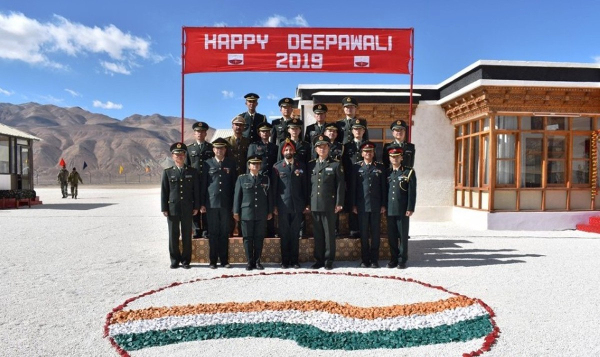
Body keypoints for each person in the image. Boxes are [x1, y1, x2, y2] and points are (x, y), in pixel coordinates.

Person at [307, 135, 345, 270]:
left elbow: (341, 185)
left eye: (324, 146)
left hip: (329, 204)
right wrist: (308, 203)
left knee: (329, 234)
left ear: (329, 147)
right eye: (319, 146)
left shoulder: (335, 164)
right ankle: (319, 260)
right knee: (317, 234)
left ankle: (329, 260)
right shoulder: (311, 164)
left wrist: (339, 202)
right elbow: (308, 186)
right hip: (315, 204)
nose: (322, 149)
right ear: (316, 149)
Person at [161, 143, 200, 269]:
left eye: (182, 154)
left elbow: (195, 191)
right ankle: (174, 259)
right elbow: (164, 191)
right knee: (173, 234)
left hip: (188, 207)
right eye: (177, 154)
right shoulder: (167, 173)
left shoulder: (192, 172)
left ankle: (185, 260)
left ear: (185, 155)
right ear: (172, 156)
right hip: (173, 208)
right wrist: (164, 208)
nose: (180, 156)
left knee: (186, 234)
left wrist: (196, 206)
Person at [272, 139, 309, 269]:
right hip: (283, 206)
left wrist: (306, 204)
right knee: (284, 233)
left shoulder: (301, 166)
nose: (288, 152)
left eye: (290, 150)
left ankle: (294, 260)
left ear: (294, 151)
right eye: (286, 150)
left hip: (297, 206)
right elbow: (274, 189)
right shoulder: (277, 167)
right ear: (283, 152)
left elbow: (305, 187)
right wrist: (274, 206)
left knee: (295, 233)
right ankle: (285, 261)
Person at [201, 138, 238, 269]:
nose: (219, 150)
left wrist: (234, 205)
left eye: (222, 148)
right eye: (217, 148)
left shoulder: (231, 163)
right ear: (213, 150)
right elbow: (204, 185)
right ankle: (212, 260)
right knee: (213, 232)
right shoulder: (207, 164)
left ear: (225, 150)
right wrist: (202, 203)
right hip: (211, 203)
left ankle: (224, 260)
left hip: (226, 204)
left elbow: (235, 185)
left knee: (224, 232)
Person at [233, 155, 273, 270]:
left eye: (258, 164)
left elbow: (269, 197)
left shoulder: (265, 178)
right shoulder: (242, 178)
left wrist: (269, 211)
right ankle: (249, 261)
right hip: (246, 213)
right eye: (253, 164)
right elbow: (237, 196)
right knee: (247, 238)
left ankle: (257, 261)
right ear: (249, 166)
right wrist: (236, 211)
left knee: (259, 237)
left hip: (261, 212)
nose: (255, 165)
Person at [351, 142, 387, 268]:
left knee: (375, 233)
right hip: (362, 206)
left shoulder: (380, 167)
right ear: (362, 153)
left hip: (376, 206)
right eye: (366, 151)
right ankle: (365, 259)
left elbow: (383, 188)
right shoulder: (356, 167)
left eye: (370, 151)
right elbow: (353, 187)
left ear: (373, 153)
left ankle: (374, 259)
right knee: (364, 233)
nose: (368, 153)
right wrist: (354, 204)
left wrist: (383, 204)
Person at [386, 145, 417, 269]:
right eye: (392, 157)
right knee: (392, 235)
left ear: (401, 158)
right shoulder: (387, 172)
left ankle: (402, 259)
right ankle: (393, 258)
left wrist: (410, 208)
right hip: (390, 209)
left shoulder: (408, 172)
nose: (395, 159)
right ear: (389, 158)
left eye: (397, 156)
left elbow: (412, 192)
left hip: (403, 209)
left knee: (403, 235)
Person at [247, 122, 278, 237]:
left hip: (271, 178)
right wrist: (249, 179)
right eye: (263, 131)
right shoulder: (253, 146)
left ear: (270, 133)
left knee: (270, 202)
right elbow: (248, 163)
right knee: (258, 202)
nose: (265, 133)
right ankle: (259, 229)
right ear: (259, 133)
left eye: (267, 131)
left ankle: (270, 229)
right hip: (258, 178)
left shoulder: (274, 147)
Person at [186, 121, 214, 238]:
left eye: (202, 131)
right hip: (194, 181)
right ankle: (196, 229)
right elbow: (187, 166)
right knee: (195, 204)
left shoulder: (211, 148)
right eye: (197, 131)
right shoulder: (189, 149)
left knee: (206, 204)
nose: (200, 133)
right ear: (194, 134)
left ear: (206, 133)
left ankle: (206, 230)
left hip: (207, 180)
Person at [342, 118, 368, 238]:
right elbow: (344, 163)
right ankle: (353, 228)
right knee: (352, 201)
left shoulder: (367, 145)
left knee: (363, 201)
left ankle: (364, 229)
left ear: (363, 131)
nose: (358, 131)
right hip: (351, 178)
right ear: (352, 131)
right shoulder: (346, 146)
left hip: (365, 177)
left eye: (360, 129)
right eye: (355, 129)